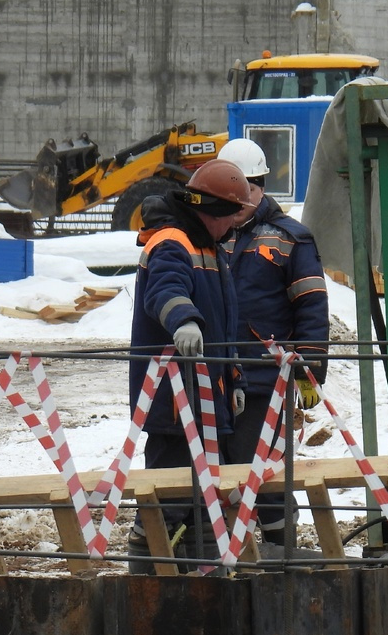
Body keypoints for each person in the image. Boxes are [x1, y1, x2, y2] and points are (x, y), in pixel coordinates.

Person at [126, 158, 253, 573]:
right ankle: (147, 582)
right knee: (166, 500)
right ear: (212, 211)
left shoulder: (210, 247)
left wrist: (232, 375)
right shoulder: (172, 242)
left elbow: (225, 325)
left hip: (203, 401)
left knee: (203, 501)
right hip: (172, 404)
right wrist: (183, 320)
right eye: (230, 215)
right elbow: (165, 289)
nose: (234, 224)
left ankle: (200, 579)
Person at [217, 137, 329, 547]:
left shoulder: (289, 237)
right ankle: (229, 552)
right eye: (231, 187)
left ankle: (281, 553)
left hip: (266, 380)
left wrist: (311, 370)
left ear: (262, 185)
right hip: (216, 379)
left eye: (248, 187)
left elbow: (311, 305)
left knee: (266, 476)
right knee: (221, 471)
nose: (240, 197)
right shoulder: (212, 234)